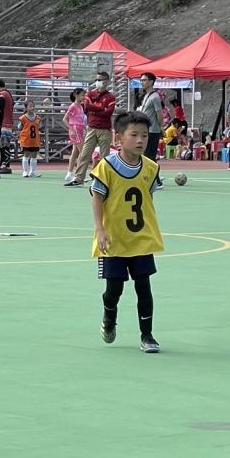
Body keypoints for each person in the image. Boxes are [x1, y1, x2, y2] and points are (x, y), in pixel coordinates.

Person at [91, 110, 163, 352]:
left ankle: (147, 336)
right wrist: (100, 230)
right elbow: (97, 197)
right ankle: (109, 315)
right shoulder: (107, 167)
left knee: (144, 286)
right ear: (119, 137)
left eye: (144, 135)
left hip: (141, 238)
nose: (140, 140)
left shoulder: (151, 167)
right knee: (115, 289)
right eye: (134, 135)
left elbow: (148, 197)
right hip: (114, 239)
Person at [68, 71, 116, 186]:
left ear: (107, 81)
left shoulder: (110, 97)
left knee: (104, 156)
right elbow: (87, 106)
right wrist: (101, 109)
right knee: (85, 154)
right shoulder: (90, 94)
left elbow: (108, 112)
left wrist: (94, 110)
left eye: (100, 79)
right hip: (91, 128)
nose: (98, 82)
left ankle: (104, 180)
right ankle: (78, 178)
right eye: (97, 80)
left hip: (105, 129)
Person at [61, 88, 87, 183]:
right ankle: (78, 174)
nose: (84, 97)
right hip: (75, 130)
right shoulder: (73, 106)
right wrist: (71, 129)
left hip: (80, 129)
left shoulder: (81, 106)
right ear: (76, 95)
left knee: (75, 152)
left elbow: (81, 120)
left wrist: (84, 129)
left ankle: (69, 173)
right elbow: (64, 119)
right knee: (83, 152)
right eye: (82, 95)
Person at [138, 73, 165, 162]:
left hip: (153, 131)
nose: (142, 82)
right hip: (146, 130)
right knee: (145, 155)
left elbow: (159, 114)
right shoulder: (146, 95)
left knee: (150, 156)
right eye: (141, 80)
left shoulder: (155, 97)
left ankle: (153, 171)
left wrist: (162, 127)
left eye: (144, 80)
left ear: (151, 82)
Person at [18, 99, 42, 177]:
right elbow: (19, 127)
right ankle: (25, 171)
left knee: (34, 155)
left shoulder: (37, 118)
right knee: (26, 155)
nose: (32, 108)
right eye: (30, 106)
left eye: (33, 106)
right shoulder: (23, 118)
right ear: (26, 108)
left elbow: (40, 127)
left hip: (35, 140)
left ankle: (33, 171)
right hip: (26, 140)